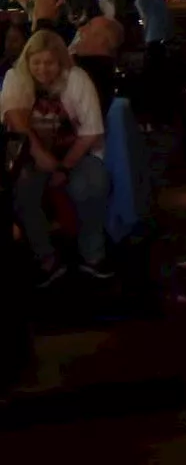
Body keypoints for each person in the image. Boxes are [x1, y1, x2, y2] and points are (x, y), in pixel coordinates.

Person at [1, 29, 111, 286]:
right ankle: (47, 259)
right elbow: (14, 124)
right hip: (35, 153)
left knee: (93, 183)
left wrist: (63, 167)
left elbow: (91, 132)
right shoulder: (17, 80)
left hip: (77, 151)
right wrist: (46, 163)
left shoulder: (77, 79)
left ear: (60, 61)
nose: (43, 69)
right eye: (36, 62)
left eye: (49, 62)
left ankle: (92, 254)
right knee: (24, 190)